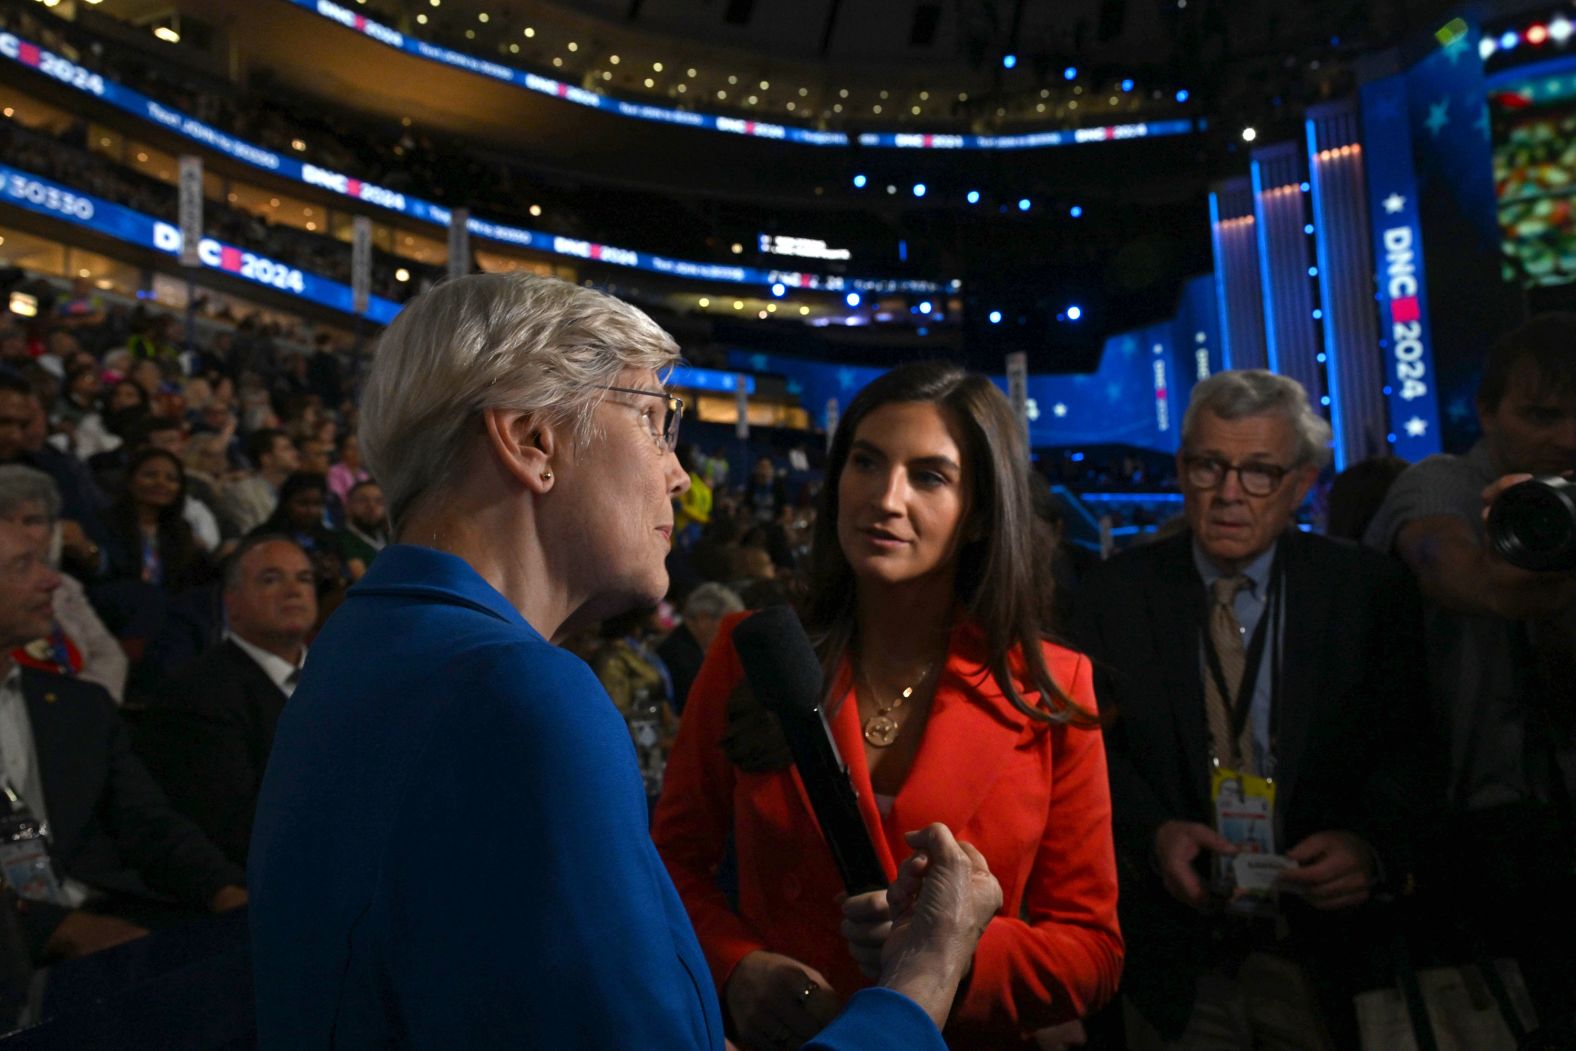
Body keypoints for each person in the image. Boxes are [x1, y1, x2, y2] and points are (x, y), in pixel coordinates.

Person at [248, 272, 1003, 1050]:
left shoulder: (359, 644)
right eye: (654, 421)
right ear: (533, 440)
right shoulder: (522, 692)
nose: (679, 472)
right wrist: (925, 974)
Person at [653, 361, 1124, 1050]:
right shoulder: (750, 650)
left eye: (928, 476)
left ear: (979, 515)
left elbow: (1092, 948)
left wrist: (950, 961)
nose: (885, 497)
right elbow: (669, 859)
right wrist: (733, 965)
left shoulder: (1052, 686)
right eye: (867, 462)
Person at [1073, 370, 1434, 1049]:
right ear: (1183, 468)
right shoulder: (1112, 596)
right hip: (1176, 956)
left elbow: (1411, 747)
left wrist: (1371, 848)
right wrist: (1156, 834)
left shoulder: (1368, 592)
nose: (1231, 492)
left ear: (1301, 483)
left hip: (1324, 950)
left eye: (1260, 471)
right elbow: (1088, 757)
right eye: (1211, 464)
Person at [1363, 314, 1576, 1024]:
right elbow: (1475, 581)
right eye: (1542, 414)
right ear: (1486, 411)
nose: (1567, 438)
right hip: (1468, 838)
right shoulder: (1444, 482)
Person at [0, 519, 246, 963]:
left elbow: (148, 823)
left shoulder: (78, 705)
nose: (52, 580)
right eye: (23, 566)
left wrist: (224, 889)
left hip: (110, 915)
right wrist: (51, 928)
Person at [135, 536, 315, 867]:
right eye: (271, 579)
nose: (294, 590)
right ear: (232, 603)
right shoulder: (198, 693)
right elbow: (234, 828)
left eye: (304, 578)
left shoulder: (341, 676)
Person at [0, 466, 127, 702]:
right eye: (5, 519)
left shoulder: (65, 586)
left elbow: (110, 656)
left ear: (52, 530)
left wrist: (78, 708)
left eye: (32, 521)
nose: (19, 531)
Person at [657, 581, 744, 715]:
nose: (730, 633)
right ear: (703, 619)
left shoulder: (689, 646)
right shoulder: (680, 656)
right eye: (727, 624)